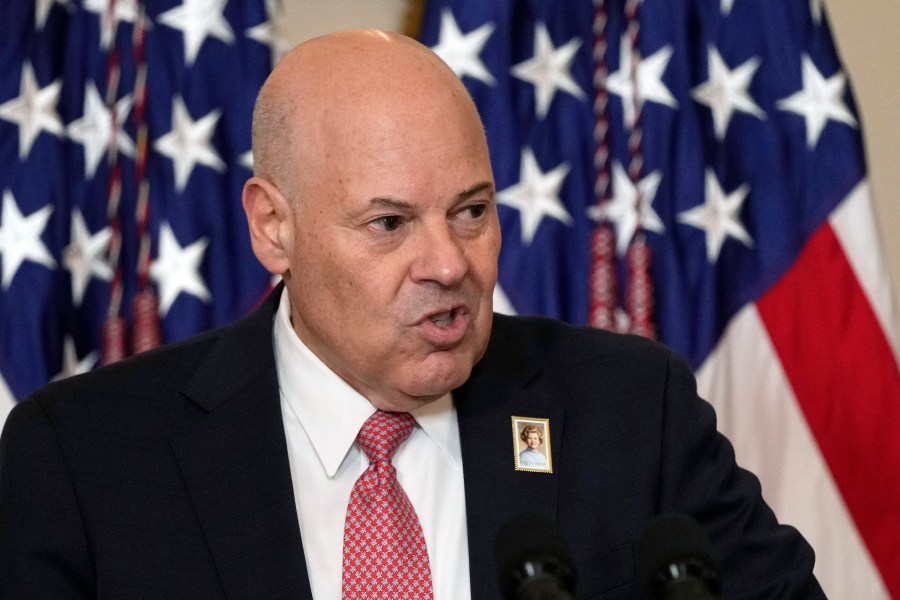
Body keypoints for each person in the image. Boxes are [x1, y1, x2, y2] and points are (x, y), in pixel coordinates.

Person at [0, 30, 826, 599]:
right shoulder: (84, 461)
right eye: (389, 224)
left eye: (471, 211)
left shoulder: (630, 411)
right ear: (273, 227)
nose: (448, 264)